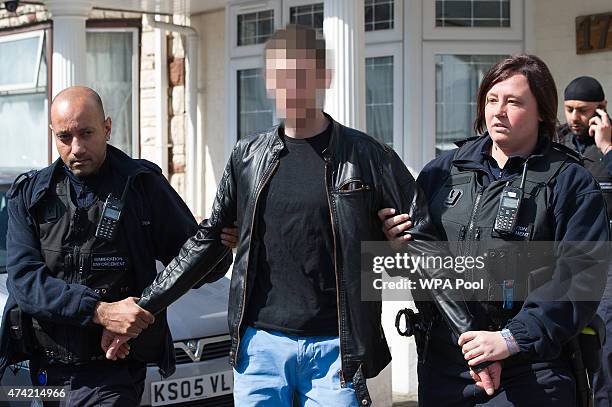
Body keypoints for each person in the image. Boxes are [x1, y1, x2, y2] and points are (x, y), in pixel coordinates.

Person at [102, 24, 498, 406]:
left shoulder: (368, 157)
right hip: (259, 349)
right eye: (279, 76)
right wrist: (143, 308)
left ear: (323, 76)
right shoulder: (247, 157)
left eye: (300, 75)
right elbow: (208, 240)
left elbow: (422, 247)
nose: (290, 87)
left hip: (336, 350)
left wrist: (469, 336)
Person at [380, 55, 609, 406]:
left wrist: (510, 339)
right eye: (491, 99)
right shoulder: (440, 172)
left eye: (514, 102)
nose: (498, 111)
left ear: (542, 112)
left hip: (531, 371)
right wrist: (395, 246)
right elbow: (420, 263)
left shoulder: (570, 181)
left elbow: (581, 277)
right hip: (446, 367)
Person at [0, 86, 233, 406]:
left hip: (111, 372)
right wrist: (101, 312)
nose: (77, 147)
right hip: (43, 375)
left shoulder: (142, 186)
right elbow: (25, 283)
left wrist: (219, 241)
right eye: (64, 137)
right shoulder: (31, 195)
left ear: (107, 128)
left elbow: (200, 264)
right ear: (52, 134)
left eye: (87, 133)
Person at [557, 76, 612, 407]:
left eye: (583, 110)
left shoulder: (609, 144)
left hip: (605, 263)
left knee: (605, 345)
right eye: (569, 109)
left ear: (601, 109)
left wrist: (607, 148)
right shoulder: (555, 141)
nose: (575, 117)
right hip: (564, 258)